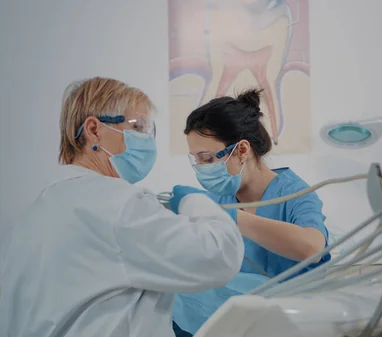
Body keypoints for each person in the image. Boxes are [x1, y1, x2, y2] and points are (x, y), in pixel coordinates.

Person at [0, 77, 245, 337]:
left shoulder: (33, 215)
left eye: (148, 130)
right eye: (137, 126)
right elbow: (219, 255)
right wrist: (194, 201)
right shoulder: (117, 203)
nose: (147, 140)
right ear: (94, 129)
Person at [169, 88, 330, 335]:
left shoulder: (296, 195)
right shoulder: (219, 197)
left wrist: (228, 216)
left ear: (242, 150)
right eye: (196, 160)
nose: (201, 168)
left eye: (207, 158)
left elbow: (312, 248)